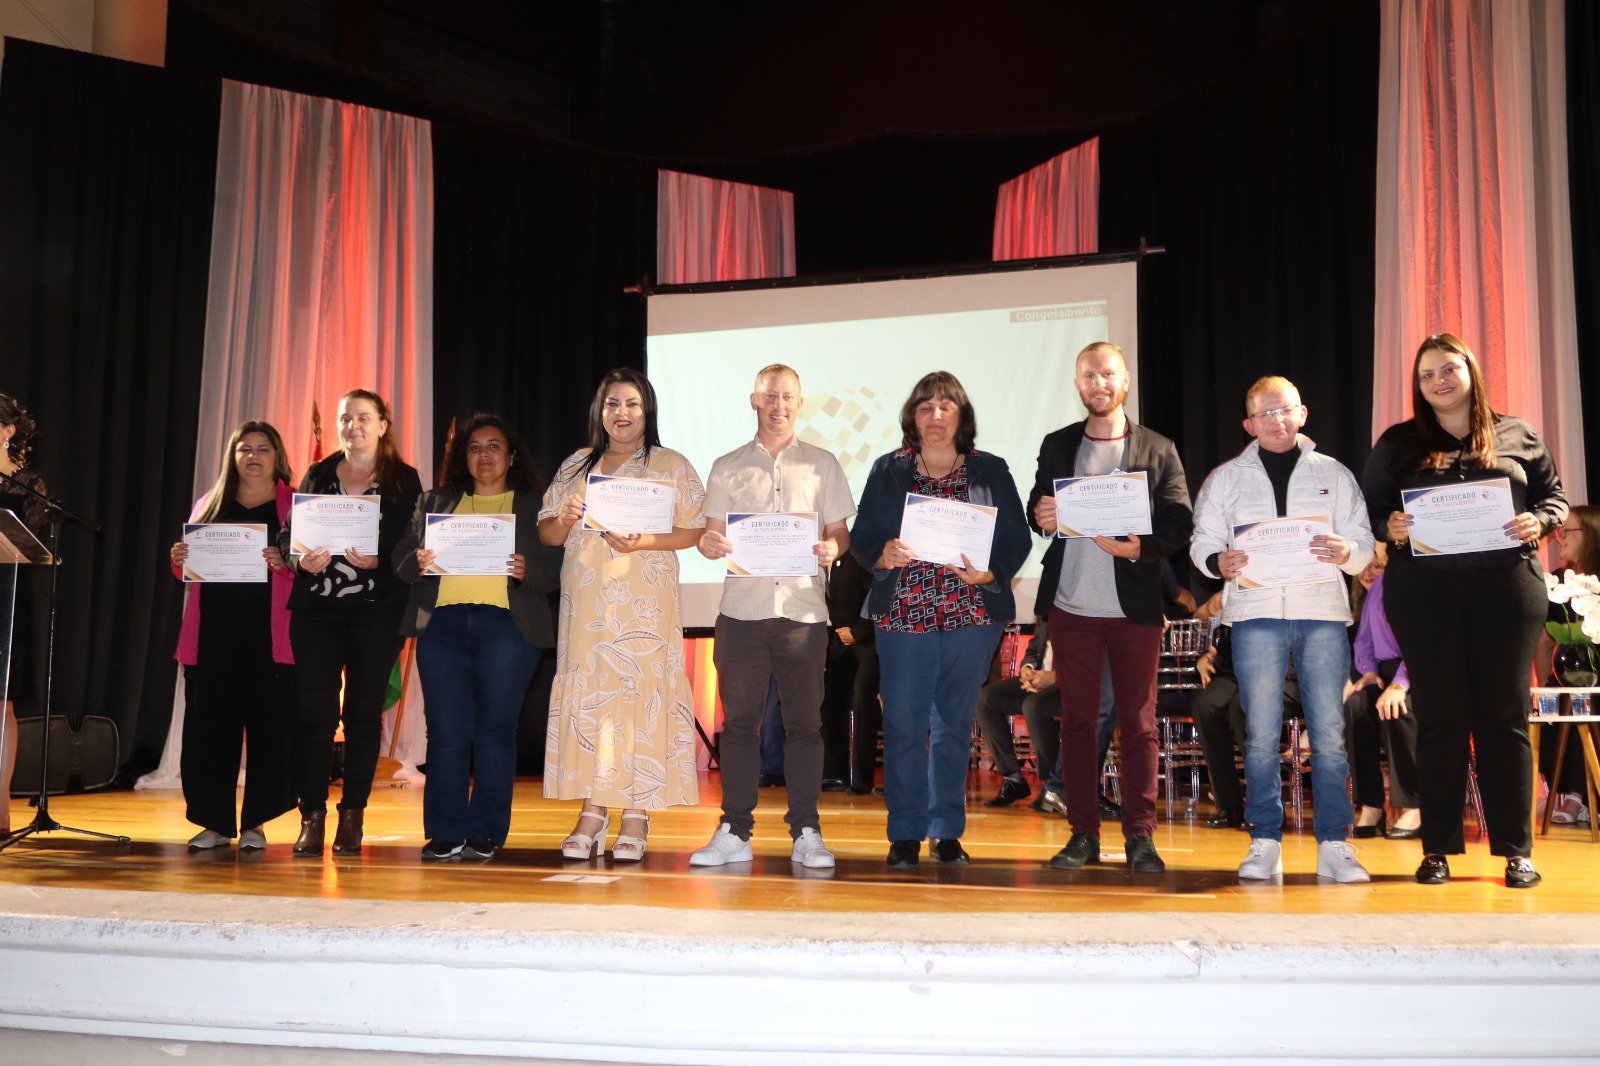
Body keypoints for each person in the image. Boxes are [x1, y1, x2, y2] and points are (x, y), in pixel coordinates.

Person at [1363, 333, 1567, 888]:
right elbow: (1372, 510)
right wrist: (1391, 528)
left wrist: (1540, 522)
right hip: (1425, 597)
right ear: (1418, 385)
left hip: (1506, 593)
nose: (1439, 382)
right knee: (1440, 720)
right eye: (1427, 374)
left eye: (1448, 369)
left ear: (1471, 371)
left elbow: (1554, 496)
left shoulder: (1517, 433)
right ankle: (1438, 849)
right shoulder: (1399, 443)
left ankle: (1515, 850)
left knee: (1504, 720)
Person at [1190, 376, 1374, 883]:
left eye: (1284, 410)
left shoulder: (1334, 474)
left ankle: (1335, 843)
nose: (1275, 420)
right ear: (1248, 423)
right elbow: (1201, 540)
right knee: (1260, 736)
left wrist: (1349, 552)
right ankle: (1265, 841)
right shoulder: (1225, 479)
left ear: (1303, 414)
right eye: (1264, 413)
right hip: (1254, 616)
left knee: (1330, 736)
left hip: (1321, 614)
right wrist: (1216, 560)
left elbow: (1362, 537)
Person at [849, 371, 1030, 868]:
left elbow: (1016, 539)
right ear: (913, 416)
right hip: (905, 613)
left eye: (945, 406)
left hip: (971, 614)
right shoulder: (890, 469)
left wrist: (992, 572)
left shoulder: (989, 469)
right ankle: (905, 832)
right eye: (925, 407)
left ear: (961, 416)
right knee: (905, 724)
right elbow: (863, 537)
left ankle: (946, 830)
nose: (935, 415)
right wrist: (881, 554)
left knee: (953, 725)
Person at [1027, 342, 1192, 874]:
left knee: (1139, 725)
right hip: (1073, 607)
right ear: (1078, 385)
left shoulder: (1158, 448)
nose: (1099, 383)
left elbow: (1179, 522)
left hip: (1135, 609)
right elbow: (1038, 507)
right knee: (1076, 724)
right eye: (1089, 375)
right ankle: (1082, 835)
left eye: (1108, 374)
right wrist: (1042, 514)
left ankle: (1141, 836)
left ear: (1125, 381)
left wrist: (1140, 548)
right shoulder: (1057, 445)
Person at [689, 365, 855, 869]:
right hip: (742, 613)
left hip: (804, 614)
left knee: (805, 725)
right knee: (739, 725)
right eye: (770, 396)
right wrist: (710, 542)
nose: (779, 405)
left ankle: (806, 828)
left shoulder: (822, 464)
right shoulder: (726, 466)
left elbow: (840, 532)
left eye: (788, 397)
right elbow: (708, 534)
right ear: (754, 401)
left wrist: (832, 547)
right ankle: (735, 830)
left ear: (800, 403)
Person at [540, 368, 706, 861]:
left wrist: (647, 541)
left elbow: (695, 530)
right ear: (600, 411)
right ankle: (594, 809)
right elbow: (548, 534)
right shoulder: (576, 465)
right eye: (613, 404)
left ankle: (637, 809)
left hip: (644, 607)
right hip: (587, 608)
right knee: (595, 702)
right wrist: (565, 517)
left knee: (640, 697)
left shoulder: (670, 464)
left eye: (632, 404)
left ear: (646, 410)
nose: (622, 413)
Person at [394, 413, 563, 862]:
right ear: (462, 457)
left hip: (507, 629)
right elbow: (401, 557)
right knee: (446, 734)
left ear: (510, 456)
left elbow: (556, 569)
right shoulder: (435, 501)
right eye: (474, 447)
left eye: (493, 446)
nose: (483, 455)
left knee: (494, 733)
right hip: (442, 628)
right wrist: (420, 562)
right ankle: (446, 832)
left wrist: (530, 572)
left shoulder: (532, 504)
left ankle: (486, 832)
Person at [282, 389, 423, 858]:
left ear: (383, 425)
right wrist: (302, 561)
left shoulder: (405, 480)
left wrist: (379, 562)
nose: (353, 426)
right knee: (313, 717)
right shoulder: (319, 474)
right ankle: (312, 816)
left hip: (376, 613)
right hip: (317, 613)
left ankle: (353, 816)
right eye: (346, 418)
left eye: (364, 418)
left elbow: (413, 549)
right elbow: (289, 537)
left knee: (362, 717)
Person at [168, 421, 298, 850]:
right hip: (213, 637)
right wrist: (178, 557)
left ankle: (256, 823)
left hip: (270, 636)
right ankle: (215, 823)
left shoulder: (293, 505)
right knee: (210, 731)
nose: (254, 456)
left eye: (264, 448)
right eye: (245, 449)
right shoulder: (210, 502)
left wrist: (286, 564)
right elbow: (186, 567)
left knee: (270, 730)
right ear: (233, 456)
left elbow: (311, 569)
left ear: (277, 456)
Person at [1342, 545, 1422, 840]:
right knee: (1356, 707)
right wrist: (1370, 671)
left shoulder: (1414, 582)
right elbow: (1363, 640)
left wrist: (1400, 684)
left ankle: (1414, 805)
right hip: (1383, 671)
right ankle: (1372, 804)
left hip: (1418, 672)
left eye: (1378, 562)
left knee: (1396, 710)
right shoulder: (1377, 589)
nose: (1370, 570)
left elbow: (1422, 642)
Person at [1, 394, 47, 837]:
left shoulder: (28, 484)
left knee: (2, 703)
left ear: (7, 431)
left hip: (4, 598)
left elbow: (27, 543)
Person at [1542, 505, 1600, 823]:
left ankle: (1586, 796)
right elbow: (1545, 642)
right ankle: (1576, 795)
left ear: (1589, 534)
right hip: (1570, 677)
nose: (1559, 537)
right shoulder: (1560, 584)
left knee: (1586, 699)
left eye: (1567, 530)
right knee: (1557, 697)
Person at [818, 549, 879, 795]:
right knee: (828, 699)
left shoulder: (859, 555)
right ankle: (834, 774)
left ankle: (862, 779)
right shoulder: (811, 558)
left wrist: (858, 631)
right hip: (834, 643)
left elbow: (880, 596)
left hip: (868, 642)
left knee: (862, 698)